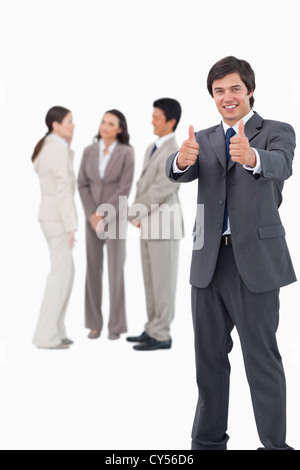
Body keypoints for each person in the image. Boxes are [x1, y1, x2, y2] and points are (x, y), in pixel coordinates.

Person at [166, 56, 297, 450]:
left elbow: (282, 165)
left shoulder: (275, 130)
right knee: (208, 360)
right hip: (207, 263)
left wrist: (252, 157)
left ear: (250, 90)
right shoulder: (203, 138)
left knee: (262, 361)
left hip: (255, 263)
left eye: (234, 89)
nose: (227, 97)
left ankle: (275, 446)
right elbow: (180, 172)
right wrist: (179, 160)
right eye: (219, 91)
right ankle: (207, 444)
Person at [127, 98, 184, 351]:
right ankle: (152, 328)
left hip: (164, 224)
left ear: (171, 122)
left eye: (157, 117)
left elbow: (162, 188)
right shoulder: (152, 146)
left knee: (163, 282)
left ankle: (162, 335)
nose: (152, 120)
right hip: (149, 222)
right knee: (150, 281)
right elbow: (143, 186)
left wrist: (133, 213)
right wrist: (139, 215)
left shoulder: (176, 150)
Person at [78, 110, 135, 340]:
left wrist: (103, 214)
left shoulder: (127, 152)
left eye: (111, 123)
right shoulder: (88, 151)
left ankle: (116, 326)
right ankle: (93, 323)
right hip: (92, 219)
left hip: (115, 217)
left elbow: (125, 188)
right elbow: (82, 184)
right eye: (103, 122)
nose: (105, 126)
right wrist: (92, 215)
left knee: (115, 270)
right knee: (92, 269)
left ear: (120, 129)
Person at [32, 106, 78, 350]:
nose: (73, 126)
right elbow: (63, 191)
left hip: (50, 217)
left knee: (66, 274)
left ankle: (57, 331)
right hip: (58, 219)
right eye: (69, 122)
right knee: (59, 276)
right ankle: (47, 336)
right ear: (56, 125)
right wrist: (72, 226)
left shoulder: (52, 147)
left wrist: (68, 147)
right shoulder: (56, 149)